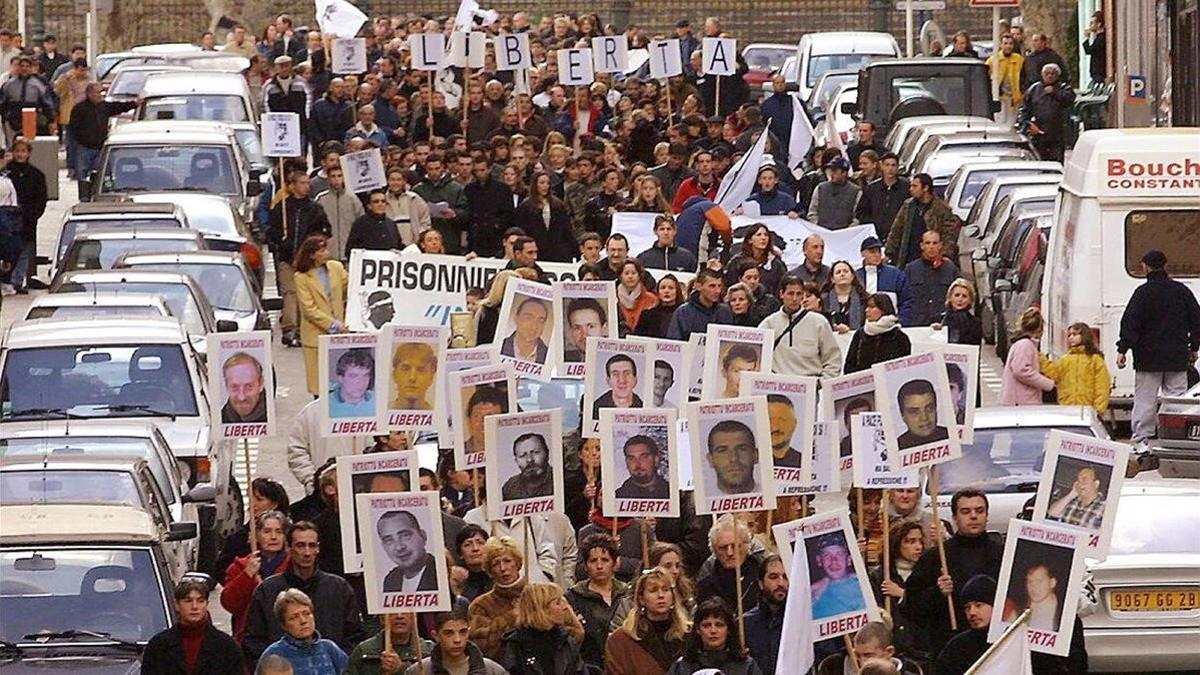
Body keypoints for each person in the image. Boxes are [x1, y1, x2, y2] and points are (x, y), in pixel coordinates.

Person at [902, 490, 1003, 657]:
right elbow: (911, 607)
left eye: (979, 511)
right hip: (949, 646)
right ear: (954, 518)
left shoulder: (1003, 554)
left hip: (996, 646)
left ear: (987, 515)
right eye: (965, 511)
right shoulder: (934, 557)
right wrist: (937, 593)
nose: (973, 516)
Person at [243, 521, 364, 661]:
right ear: (289, 548)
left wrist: (337, 663)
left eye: (312, 545)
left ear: (318, 548)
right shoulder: (267, 590)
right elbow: (253, 641)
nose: (307, 552)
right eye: (300, 545)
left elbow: (354, 636)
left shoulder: (339, 588)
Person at [1116, 250, 1200, 447]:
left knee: (1145, 400)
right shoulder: (1181, 291)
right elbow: (1196, 321)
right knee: (1176, 400)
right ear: (1166, 265)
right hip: (1176, 357)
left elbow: (1131, 323)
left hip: (1147, 358)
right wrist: (1194, 347)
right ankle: (1175, 437)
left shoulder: (1142, 294)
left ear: (1145, 267)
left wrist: (1123, 349)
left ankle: (1140, 441)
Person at [271, 173, 334, 348]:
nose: (306, 186)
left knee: (306, 294)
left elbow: (326, 230)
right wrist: (280, 240)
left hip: (308, 259)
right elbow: (271, 229)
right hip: (287, 257)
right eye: (302, 183)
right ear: (292, 186)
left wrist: (314, 242)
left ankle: (303, 327)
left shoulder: (314, 209)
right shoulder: (282, 208)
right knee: (290, 293)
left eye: (308, 183)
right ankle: (289, 327)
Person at [141, 576, 243, 674]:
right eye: (188, 601)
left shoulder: (227, 647)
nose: (195, 607)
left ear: (207, 604)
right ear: (177, 605)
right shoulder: (158, 647)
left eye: (200, 601)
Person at [220, 509, 291, 642]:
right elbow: (229, 603)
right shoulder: (240, 567)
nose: (273, 537)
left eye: (279, 532)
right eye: (267, 531)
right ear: (256, 535)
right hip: (251, 638)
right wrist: (247, 575)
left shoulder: (293, 566)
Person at [603, 567, 689, 675]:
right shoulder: (621, 640)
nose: (661, 595)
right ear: (641, 599)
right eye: (653, 590)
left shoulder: (689, 636)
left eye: (665, 589)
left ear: (673, 597)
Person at [567, 534, 630, 670]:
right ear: (585, 565)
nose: (599, 566)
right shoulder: (572, 598)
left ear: (615, 563)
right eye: (593, 560)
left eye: (605, 560)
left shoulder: (629, 595)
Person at [759, 276, 842, 377]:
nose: (794, 298)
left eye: (798, 294)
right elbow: (758, 357)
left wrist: (823, 381)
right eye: (790, 293)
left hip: (811, 382)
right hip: (778, 385)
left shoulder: (819, 322)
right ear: (781, 294)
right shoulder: (768, 324)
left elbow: (832, 357)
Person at [497, 582, 587, 674]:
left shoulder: (566, 641)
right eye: (558, 603)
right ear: (541, 608)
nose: (564, 607)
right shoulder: (514, 646)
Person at [67, 82, 136, 197]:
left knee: (103, 173)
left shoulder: (104, 107)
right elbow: (73, 129)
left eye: (101, 92)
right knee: (83, 175)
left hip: (100, 148)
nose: (100, 95)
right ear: (89, 94)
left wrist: (134, 103)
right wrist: (81, 141)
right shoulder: (79, 109)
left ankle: (102, 194)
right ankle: (84, 197)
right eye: (98, 92)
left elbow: (118, 107)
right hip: (85, 148)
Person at [260, 588, 350, 675]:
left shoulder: (330, 649)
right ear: (283, 625)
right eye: (294, 617)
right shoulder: (273, 654)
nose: (303, 621)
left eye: (307, 613)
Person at [667, 597, 763, 675]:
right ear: (698, 629)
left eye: (719, 625)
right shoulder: (682, 666)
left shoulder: (746, 666)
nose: (713, 631)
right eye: (706, 625)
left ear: (728, 629)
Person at [885, 174, 959, 270]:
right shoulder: (908, 206)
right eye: (911, 186)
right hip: (909, 258)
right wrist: (889, 252)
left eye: (915, 186)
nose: (911, 189)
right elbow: (896, 230)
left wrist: (944, 256)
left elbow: (949, 235)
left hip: (932, 260)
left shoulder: (941, 209)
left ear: (925, 188)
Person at [404, 607, 508, 674]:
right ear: (435, 636)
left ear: (468, 632)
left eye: (463, 632)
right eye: (449, 633)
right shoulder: (418, 671)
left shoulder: (493, 671)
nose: (457, 640)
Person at [931, 575, 997, 675]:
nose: (972, 612)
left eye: (978, 605)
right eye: (967, 607)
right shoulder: (956, 648)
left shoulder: (1012, 639)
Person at [695, 515, 762, 611]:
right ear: (714, 550)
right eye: (723, 548)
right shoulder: (706, 584)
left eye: (735, 546)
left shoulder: (762, 576)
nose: (729, 553)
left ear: (746, 546)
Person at [1042, 321, 1111, 414]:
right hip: (1066, 408)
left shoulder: (1095, 360)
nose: (1071, 338)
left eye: (1074, 334)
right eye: (1069, 335)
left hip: (1088, 409)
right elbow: (1053, 373)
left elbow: (1102, 387)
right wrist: (1040, 359)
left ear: (1084, 336)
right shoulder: (1065, 360)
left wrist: (1098, 409)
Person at [4, 137, 45, 292]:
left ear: (28, 154)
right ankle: (7, 279)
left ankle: (18, 281)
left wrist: (33, 215)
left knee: (24, 251)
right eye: (17, 151)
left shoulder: (36, 175)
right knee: (8, 250)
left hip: (28, 219)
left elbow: (41, 199)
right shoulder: (6, 173)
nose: (20, 154)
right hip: (8, 219)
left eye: (23, 151)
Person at [413, 153, 471, 255]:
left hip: (450, 239)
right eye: (430, 169)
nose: (434, 172)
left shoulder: (456, 188)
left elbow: (466, 213)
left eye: (437, 168)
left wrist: (454, 214)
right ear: (426, 169)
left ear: (443, 168)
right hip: (425, 242)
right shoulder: (418, 189)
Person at [1018, 62, 1075, 163]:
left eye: (1053, 74)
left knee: (1056, 162)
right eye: (1047, 73)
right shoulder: (1034, 89)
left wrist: (1055, 92)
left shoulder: (1064, 88)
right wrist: (1028, 125)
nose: (1050, 76)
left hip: (1057, 134)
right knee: (1039, 161)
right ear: (1042, 74)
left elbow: (1069, 99)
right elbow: (1024, 110)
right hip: (1038, 134)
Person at [901, 230, 960, 327]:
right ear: (922, 246)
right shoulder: (911, 269)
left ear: (940, 245)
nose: (931, 246)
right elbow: (904, 298)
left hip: (943, 325)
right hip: (917, 324)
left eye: (935, 243)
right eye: (927, 243)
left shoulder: (950, 269)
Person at [817, 622, 922, 675]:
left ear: (889, 651)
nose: (862, 662)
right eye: (857, 655)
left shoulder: (911, 671)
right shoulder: (833, 667)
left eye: (868, 655)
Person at [345, 612, 433, 675]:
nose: (399, 616)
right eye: (393, 612)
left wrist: (402, 669)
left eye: (405, 611)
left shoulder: (429, 650)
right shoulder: (364, 651)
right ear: (382, 618)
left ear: (415, 617)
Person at [999, 307, 1055, 406]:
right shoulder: (1025, 345)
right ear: (1040, 329)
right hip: (1021, 400)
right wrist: (1048, 384)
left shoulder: (1022, 343)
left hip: (1019, 399)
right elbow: (1021, 370)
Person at [743, 554, 788, 675]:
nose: (781, 583)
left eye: (785, 577)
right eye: (773, 577)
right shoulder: (745, 624)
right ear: (761, 583)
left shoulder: (804, 621)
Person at [515, 171, 575, 262]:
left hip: (557, 251)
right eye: (542, 183)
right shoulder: (526, 206)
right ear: (535, 185)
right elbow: (523, 230)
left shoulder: (557, 205)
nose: (545, 186)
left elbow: (566, 229)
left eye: (548, 183)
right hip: (536, 250)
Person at [845, 293, 911, 374]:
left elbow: (904, 369)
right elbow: (849, 365)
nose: (866, 310)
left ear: (884, 309)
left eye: (872, 307)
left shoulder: (899, 337)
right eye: (867, 306)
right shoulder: (860, 334)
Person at [376, 510, 439, 592]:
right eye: (389, 540)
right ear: (384, 546)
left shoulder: (440, 573)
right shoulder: (391, 580)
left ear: (423, 536)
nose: (399, 547)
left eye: (405, 535)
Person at [808, 533, 866, 619]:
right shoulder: (811, 594)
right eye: (827, 555)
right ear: (819, 561)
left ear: (849, 559)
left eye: (840, 554)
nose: (834, 560)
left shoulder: (864, 582)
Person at [667, 267, 735, 340]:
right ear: (698, 286)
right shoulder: (682, 313)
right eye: (712, 286)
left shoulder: (725, 311)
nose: (717, 291)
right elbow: (675, 342)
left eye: (719, 286)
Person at [855, 154, 909, 242]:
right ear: (881, 166)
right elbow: (861, 212)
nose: (890, 169)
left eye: (893, 165)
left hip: (899, 236)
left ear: (897, 167)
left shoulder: (906, 188)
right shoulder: (871, 189)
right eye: (887, 165)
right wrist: (874, 223)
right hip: (876, 235)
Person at [724, 223, 788, 296]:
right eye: (759, 235)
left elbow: (783, 286)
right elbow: (729, 284)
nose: (763, 238)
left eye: (766, 235)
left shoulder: (776, 263)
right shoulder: (737, 262)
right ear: (750, 240)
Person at [704, 420, 760, 496]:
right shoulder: (700, 502)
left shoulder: (773, 495)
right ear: (710, 459)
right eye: (723, 451)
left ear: (756, 455)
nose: (733, 458)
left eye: (742, 449)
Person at [1046, 465, 1108, 530]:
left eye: (1084, 480)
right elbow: (1052, 513)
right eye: (1078, 480)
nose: (1080, 483)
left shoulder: (1105, 507)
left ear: (1096, 484)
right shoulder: (1071, 501)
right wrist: (1071, 494)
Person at [894, 379, 950, 449]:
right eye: (914, 412)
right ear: (902, 415)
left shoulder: (953, 437)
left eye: (929, 409)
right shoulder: (895, 449)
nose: (924, 417)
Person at [808, 157, 861, 229]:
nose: (832, 174)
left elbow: (857, 217)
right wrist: (818, 226)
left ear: (844, 173)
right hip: (821, 232)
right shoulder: (820, 188)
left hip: (845, 235)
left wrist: (847, 231)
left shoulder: (856, 191)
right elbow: (812, 212)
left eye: (835, 171)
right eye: (831, 171)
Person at [461, 385, 508, 465]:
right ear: (469, 420)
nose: (483, 422)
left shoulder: (511, 453)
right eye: (477, 416)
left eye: (490, 417)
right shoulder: (455, 455)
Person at [345, 190, 401, 257]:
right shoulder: (360, 223)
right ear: (369, 206)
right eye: (376, 202)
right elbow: (350, 250)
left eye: (383, 201)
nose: (380, 204)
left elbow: (399, 245)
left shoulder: (391, 224)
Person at [501, 433, 554, 500]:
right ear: (516, 461)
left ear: (547, 453)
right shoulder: (509, 487)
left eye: (535, 452)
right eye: (522, 455)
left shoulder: (563, 479)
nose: (529, 459)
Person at [615, 434, 670, 499]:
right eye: (631, 458)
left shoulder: (672, 493)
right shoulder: (618, 496)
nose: (637, 463)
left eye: (644, 457)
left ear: (656, 460)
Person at [822, 260, 869, 334]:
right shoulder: (824, 299)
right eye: (838, 272)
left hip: (858, 340)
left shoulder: (864, 298)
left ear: (852, 276)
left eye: (845, 271)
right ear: (832, 279)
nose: (842, 274)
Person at [930, 279, 983, 346]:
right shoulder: (938, 319)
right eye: (957, 295)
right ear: (950, 297)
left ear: (970, 300)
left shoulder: (975, 323)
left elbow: (975, 351)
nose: (960, 299)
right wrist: (931, 331)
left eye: (964, 296)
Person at [986, 34, 1024, 125]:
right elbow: (986, 77)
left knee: (1011, 123)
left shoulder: (1019, 59)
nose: (1008, 46)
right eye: (1005, 43)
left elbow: (1024, 76)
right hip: (999, 97)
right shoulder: (993, 60)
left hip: (1014, 98)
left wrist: (1022, 91)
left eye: (1010, 43)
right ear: (1001, 45)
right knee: (1000, 122)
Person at [500, 296, 550, 364]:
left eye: (540, 320)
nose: (534, 325)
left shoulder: (549, 357)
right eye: (528, 318)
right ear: (516, 318)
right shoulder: (499, 347)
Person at [617, 259, 661, 335]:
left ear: (639, 275)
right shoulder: (613, 299)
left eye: (633, 273)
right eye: (626, 273)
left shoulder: (652, 299)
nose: (630, 276)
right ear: (620, 276)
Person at [328, 348, 376, 416]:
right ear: (341, 378)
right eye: (354, 376)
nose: (361, 383)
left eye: (365, 375)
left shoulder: (379, 402)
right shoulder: (323, 406)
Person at [389, 342, 436, 410]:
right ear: (394, 375)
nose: (412, 377)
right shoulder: (381, 412)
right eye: (405, 369)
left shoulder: (440, 416)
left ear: (431, 378)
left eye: (420, 370)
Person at [765, 394, 803, 469]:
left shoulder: (806, 463)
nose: (775, 427)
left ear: (794, 424)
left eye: (782, 420)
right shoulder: (748, 464)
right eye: (769, 420)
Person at [1082, 11, 1108, 87]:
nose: (1090, 26)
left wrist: (1086, 38)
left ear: (1099, 24)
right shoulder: (1098, 37)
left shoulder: (1101, 38)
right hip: (1096, 73)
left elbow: (1089, 50)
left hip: (1099, 72)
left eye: (1092, 23)